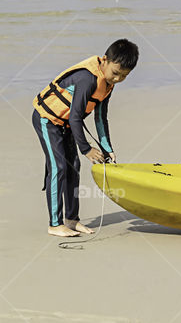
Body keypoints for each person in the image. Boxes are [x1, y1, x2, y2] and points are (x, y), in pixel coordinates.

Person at [32, 39, 139, 236]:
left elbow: (100, 118)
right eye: (115, 73)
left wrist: (107, 149)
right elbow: (75, 117)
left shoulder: (107, 85)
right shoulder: (87, 79)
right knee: (59, 167)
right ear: (105, 60)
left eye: (124, 76)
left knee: (74, 167)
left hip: (66, 124)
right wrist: (86, 149)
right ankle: (55, 224)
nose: (117, 79)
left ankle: (72, 220)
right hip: (47, 120)